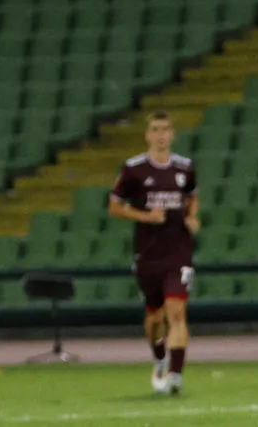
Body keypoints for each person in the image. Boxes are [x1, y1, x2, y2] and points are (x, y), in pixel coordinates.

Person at [107, 111, 199, 395]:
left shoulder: (185, 167)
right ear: (147, 134)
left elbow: (192, 197)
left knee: (176, 312)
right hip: (148, 254)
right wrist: (146, 217)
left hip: (178, 252)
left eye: (166, 130)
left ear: (173, 134)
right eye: (155, 130)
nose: (161, 135)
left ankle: (176, 375)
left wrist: (193, 217)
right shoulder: (134, 169)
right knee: (154, 318)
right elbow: (114, 206)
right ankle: (159, 358)